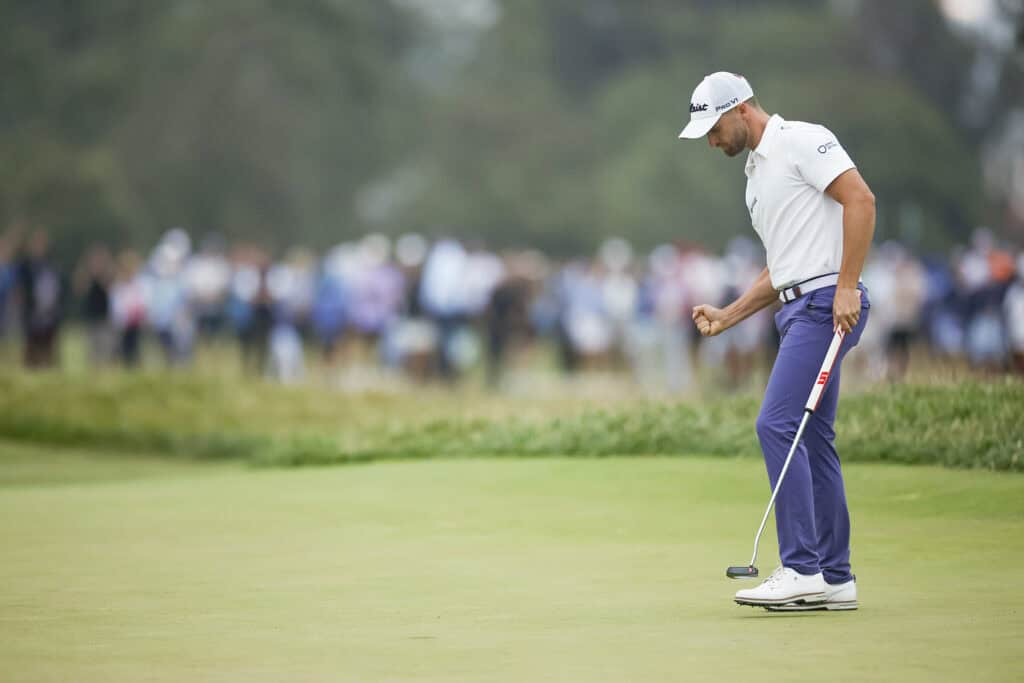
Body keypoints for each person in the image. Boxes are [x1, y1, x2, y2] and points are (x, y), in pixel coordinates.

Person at [678, 72, 874, 611]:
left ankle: (801, 567)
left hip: (824, 307)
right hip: (797, 309)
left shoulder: (801, 141)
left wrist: (847, 285)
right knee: (813, 439)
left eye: (714, 129)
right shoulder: (754, 177)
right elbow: (781, 267)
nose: (712, 141)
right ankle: (835, 578)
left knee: (776, 423)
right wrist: (728, 316)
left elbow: (860, 200)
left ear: (741, 110)